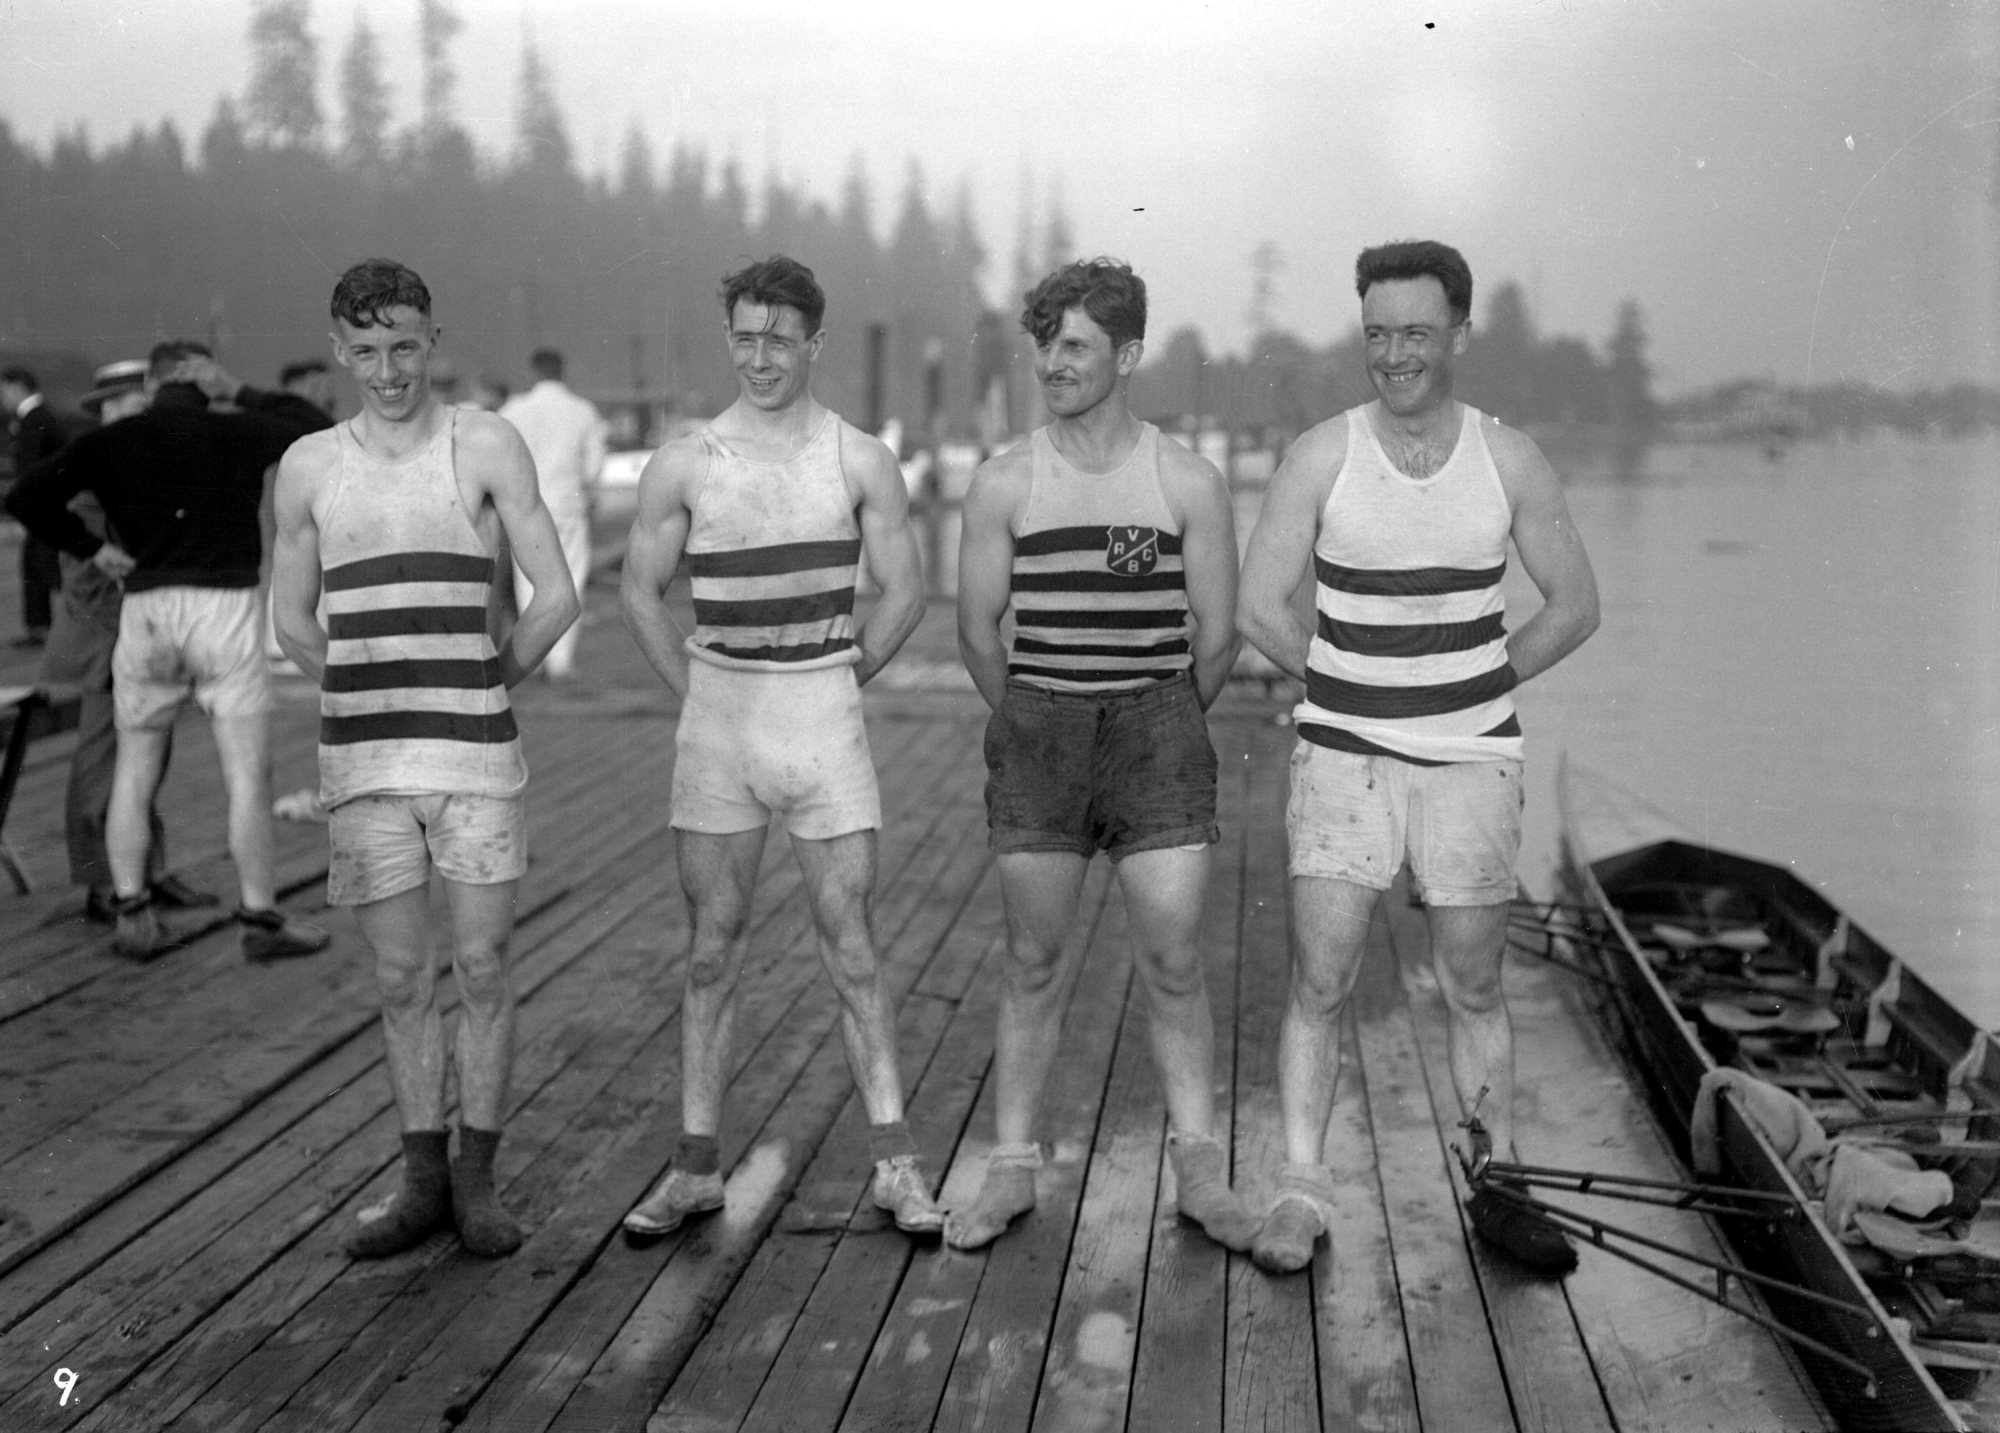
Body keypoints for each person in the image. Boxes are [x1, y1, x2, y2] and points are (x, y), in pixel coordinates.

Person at [1235, 239, 1601, 1275]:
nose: (1393, 354)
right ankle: (1301, 1189)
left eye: (1415, 333)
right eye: (1377, 333)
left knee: (1473, 981)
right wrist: (1336, 681)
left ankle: (1495, 1181)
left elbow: (1574, 604)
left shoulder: (1510, 458)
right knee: (1320, 978)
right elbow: (1258, 605)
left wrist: (1480, 680)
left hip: (1470, 762)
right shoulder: (1319, 454)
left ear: (1456, 336)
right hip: (1343, 758)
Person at [618, 255, 942, 1239]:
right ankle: (694, 1167)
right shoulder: (684, 459)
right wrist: (696, 687)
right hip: (719, 716)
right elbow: (638, 588)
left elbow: (904, 588)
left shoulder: (856, 458)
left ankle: (895, 1163)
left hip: (820, 716)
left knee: (849, 940)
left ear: (812, 343)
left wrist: (847, 674)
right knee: (712, 947)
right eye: (745, 337)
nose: (760, 357)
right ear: (731, 339)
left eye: (779, 339)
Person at [271, 257, 580, 1260]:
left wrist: (490, 677)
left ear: (432, 339)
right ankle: (417, 1182)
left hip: (475, 759)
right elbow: (288, 615)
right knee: (403, 976)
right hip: (364, 766)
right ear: (339, 351)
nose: (389, 368)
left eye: (405, 344)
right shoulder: (311, 464)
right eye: (366, 350)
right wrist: (355, 687)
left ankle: (475, 1180)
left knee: (483, 963)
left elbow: (557, 593)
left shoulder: (483, 442)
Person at [947, 258, 1252, 1252]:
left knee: (1170, 960)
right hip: (1039, 730)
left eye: (1072, 344)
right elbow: (977, 631)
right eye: (1043, 344)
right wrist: (1038, 711)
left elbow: (1216, 632)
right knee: (1032, 959)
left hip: (1157, 731)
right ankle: (1009, 1168)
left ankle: (1200, 1168)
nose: (1052, 363)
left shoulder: (1182, 480)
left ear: (1124, 354)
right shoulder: (1003, 481)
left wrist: (1154, 712)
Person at [6, 341, 334, 963]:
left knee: (134, 769)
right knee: (246, 778)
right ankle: (260, 918)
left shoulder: (112, 440)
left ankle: (132, 910)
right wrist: (234, 387)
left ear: (153, 383)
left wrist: (90, 546)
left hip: (146, 610)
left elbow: (25, 497)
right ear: (199, 377)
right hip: (223, 610)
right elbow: (318, 426)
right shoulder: (239, 430)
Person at [39, 360, 208, 922]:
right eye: (138, 409)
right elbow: (85, 579)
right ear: (109, 411)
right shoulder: (90, 478)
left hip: (141, 638)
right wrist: (142, 632)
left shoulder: (140, 470)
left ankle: (144, 873)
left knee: (145, 760)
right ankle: (102, 886)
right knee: (102, 766)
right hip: (108, 645)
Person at [500, 349, 604, 682]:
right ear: (562, 370)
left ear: (534, 371)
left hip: (525, 501)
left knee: (528, 581)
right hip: (568, 502)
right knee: (571, 578)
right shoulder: (583, 411)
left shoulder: (515, 409)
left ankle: (533, 657)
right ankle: (560, 661)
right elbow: (593, 468)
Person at [2, 365, 68, 646]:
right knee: (37, 565)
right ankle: (40, 627)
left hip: (44, 508)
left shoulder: (34, 419)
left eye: (3, 392)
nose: (2, 399)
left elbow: (31, 470)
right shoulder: (37, 417)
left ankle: (52, 628)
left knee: (44, 566)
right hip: (45, 506)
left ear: (17, 387)